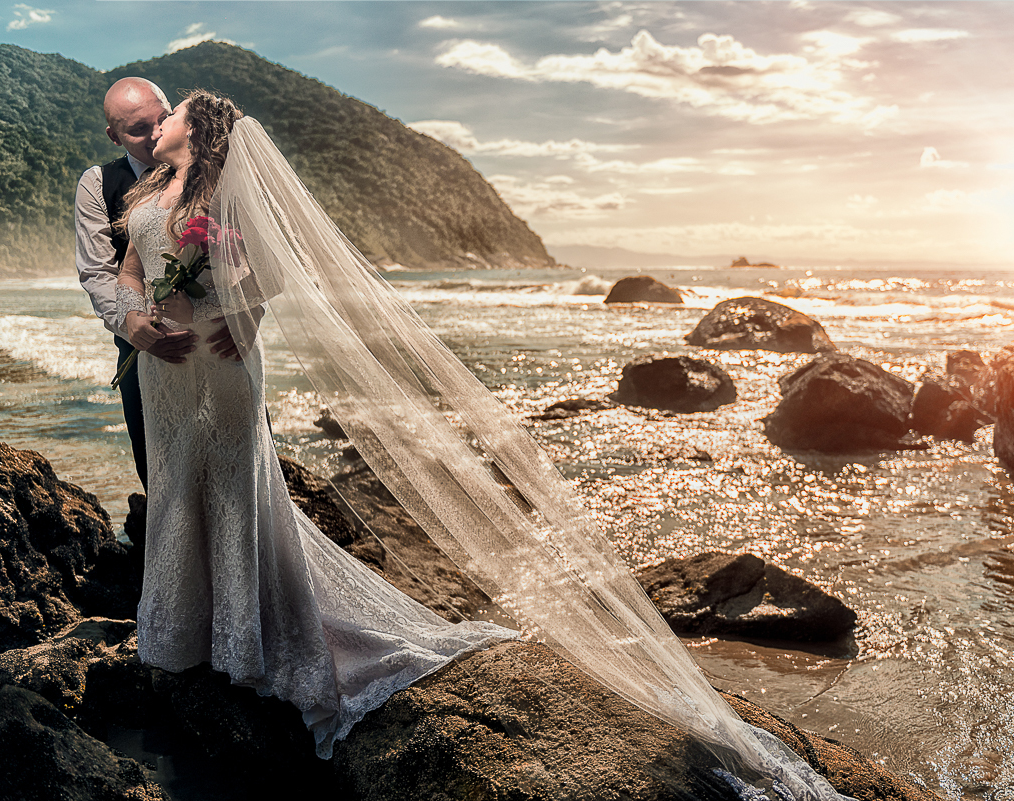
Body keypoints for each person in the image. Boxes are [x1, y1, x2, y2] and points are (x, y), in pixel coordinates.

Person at [118, 88, 851, 799]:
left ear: (201, 129)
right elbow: (128, 272)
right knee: (179, 484)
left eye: (174, 111)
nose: (163, 121)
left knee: (233, 486)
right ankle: (187, 625)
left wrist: (239, 319)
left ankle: (244, 634)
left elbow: (276, 269)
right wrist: (139, 321)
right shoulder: (149, 193)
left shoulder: (221, 196)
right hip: (165, 371)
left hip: (220, 369)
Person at [73, 77, 237, 488]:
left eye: (161, 119)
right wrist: (132, 324)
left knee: (235, 477)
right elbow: (99, 272)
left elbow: (250, 256)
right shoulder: (97, 184)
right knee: (165, 481)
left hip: (220, 351)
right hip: (143, 354)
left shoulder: (222, 172)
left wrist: (244, 319)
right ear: (114, 136)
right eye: (136, 130)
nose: (154, 134)